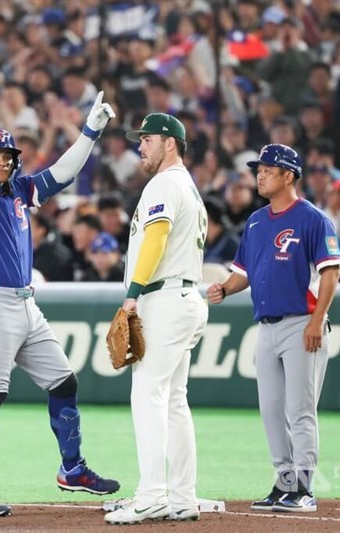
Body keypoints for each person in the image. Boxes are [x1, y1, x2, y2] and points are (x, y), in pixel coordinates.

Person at [0, 95, 120, 518]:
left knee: (64, 383)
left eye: (6, 156)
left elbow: (64, 171)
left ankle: (72, 468)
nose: (1, 162)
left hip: (26, 304)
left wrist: (90, 131)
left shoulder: (21, 190)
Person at [207, 144, 340, 513]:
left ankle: (304, 487)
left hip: (303, 323)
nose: (260, 175)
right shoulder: (255, 221)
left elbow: (331, 272)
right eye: (259, 169)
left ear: (289, 175)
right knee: (271, 409)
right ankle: (284, 483)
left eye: (268, 169)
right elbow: (244, 275)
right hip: (266, 328)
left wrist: (317, 321)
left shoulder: (313, 219)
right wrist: (224, 288)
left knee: (299, 410)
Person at [103, 113, 209, 525]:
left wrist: (131, 297)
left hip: (163, 297)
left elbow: (158, 236)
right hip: (184, 297)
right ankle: (183, 496)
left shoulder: (165, 182)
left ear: (171, 143)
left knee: (148, 395)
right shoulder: (189, 187)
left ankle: (151, 496)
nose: (140, 146)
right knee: (174, 401)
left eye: (147, 139)